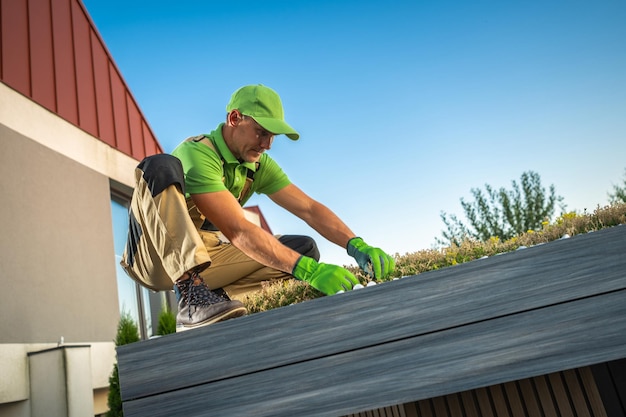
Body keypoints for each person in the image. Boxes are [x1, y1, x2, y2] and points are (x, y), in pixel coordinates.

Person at [164, 84, 395, 331]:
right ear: (234, 118)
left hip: (209, 255)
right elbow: (238, 230)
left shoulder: (256, 164)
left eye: (273, 136)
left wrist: (355, 244)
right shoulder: (198, 154)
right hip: (165, 259)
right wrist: (310, 272)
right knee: (158, 166)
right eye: (261, 132)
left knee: (302, 248)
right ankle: (191, 302)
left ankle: (219, 299)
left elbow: (308, 208)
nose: (268, 144)